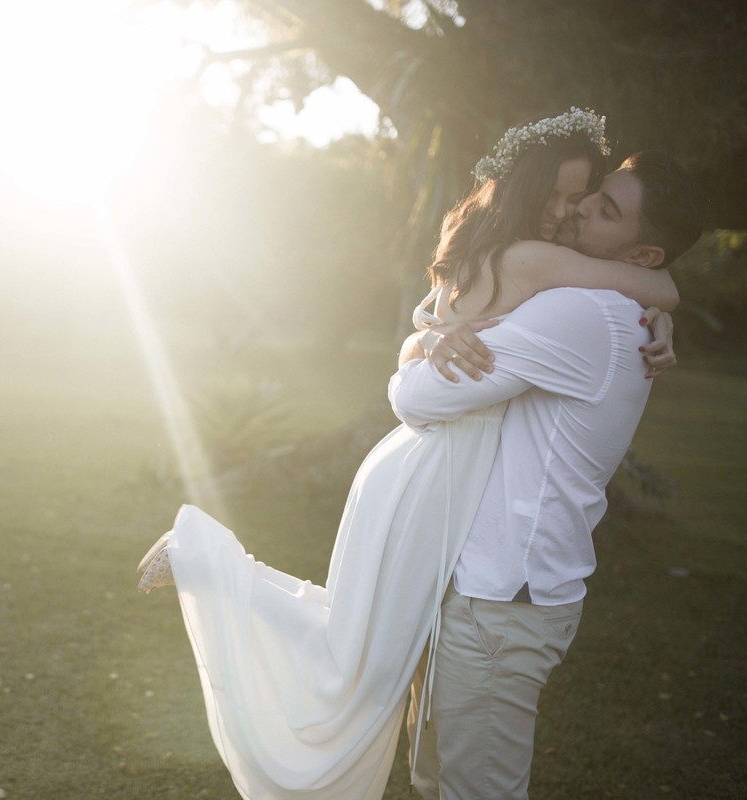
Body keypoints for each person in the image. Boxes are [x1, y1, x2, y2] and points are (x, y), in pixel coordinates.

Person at [135, 110, 683, 800]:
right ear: (526, 189)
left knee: (357, 643)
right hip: (433, 471)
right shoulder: (537, 265)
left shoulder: (527, 266)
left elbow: (435, 339)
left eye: (589, 203)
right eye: (566, 196)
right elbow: (654, 287)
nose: (569, 212)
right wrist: (660, 302)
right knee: (359, 654)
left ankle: (207, 563)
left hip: (426, 474)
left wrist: (420, 344)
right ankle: (206, 562)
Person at [393, 148, 702, 800]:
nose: (582, 207)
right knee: (438, 778)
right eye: (594, 193)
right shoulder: (592, 300)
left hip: (500, 601)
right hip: (491, 587)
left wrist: (417, 352)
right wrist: (427, 340)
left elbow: (418, 397)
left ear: (645, 254)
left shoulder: (581, 313)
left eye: (607, 209)